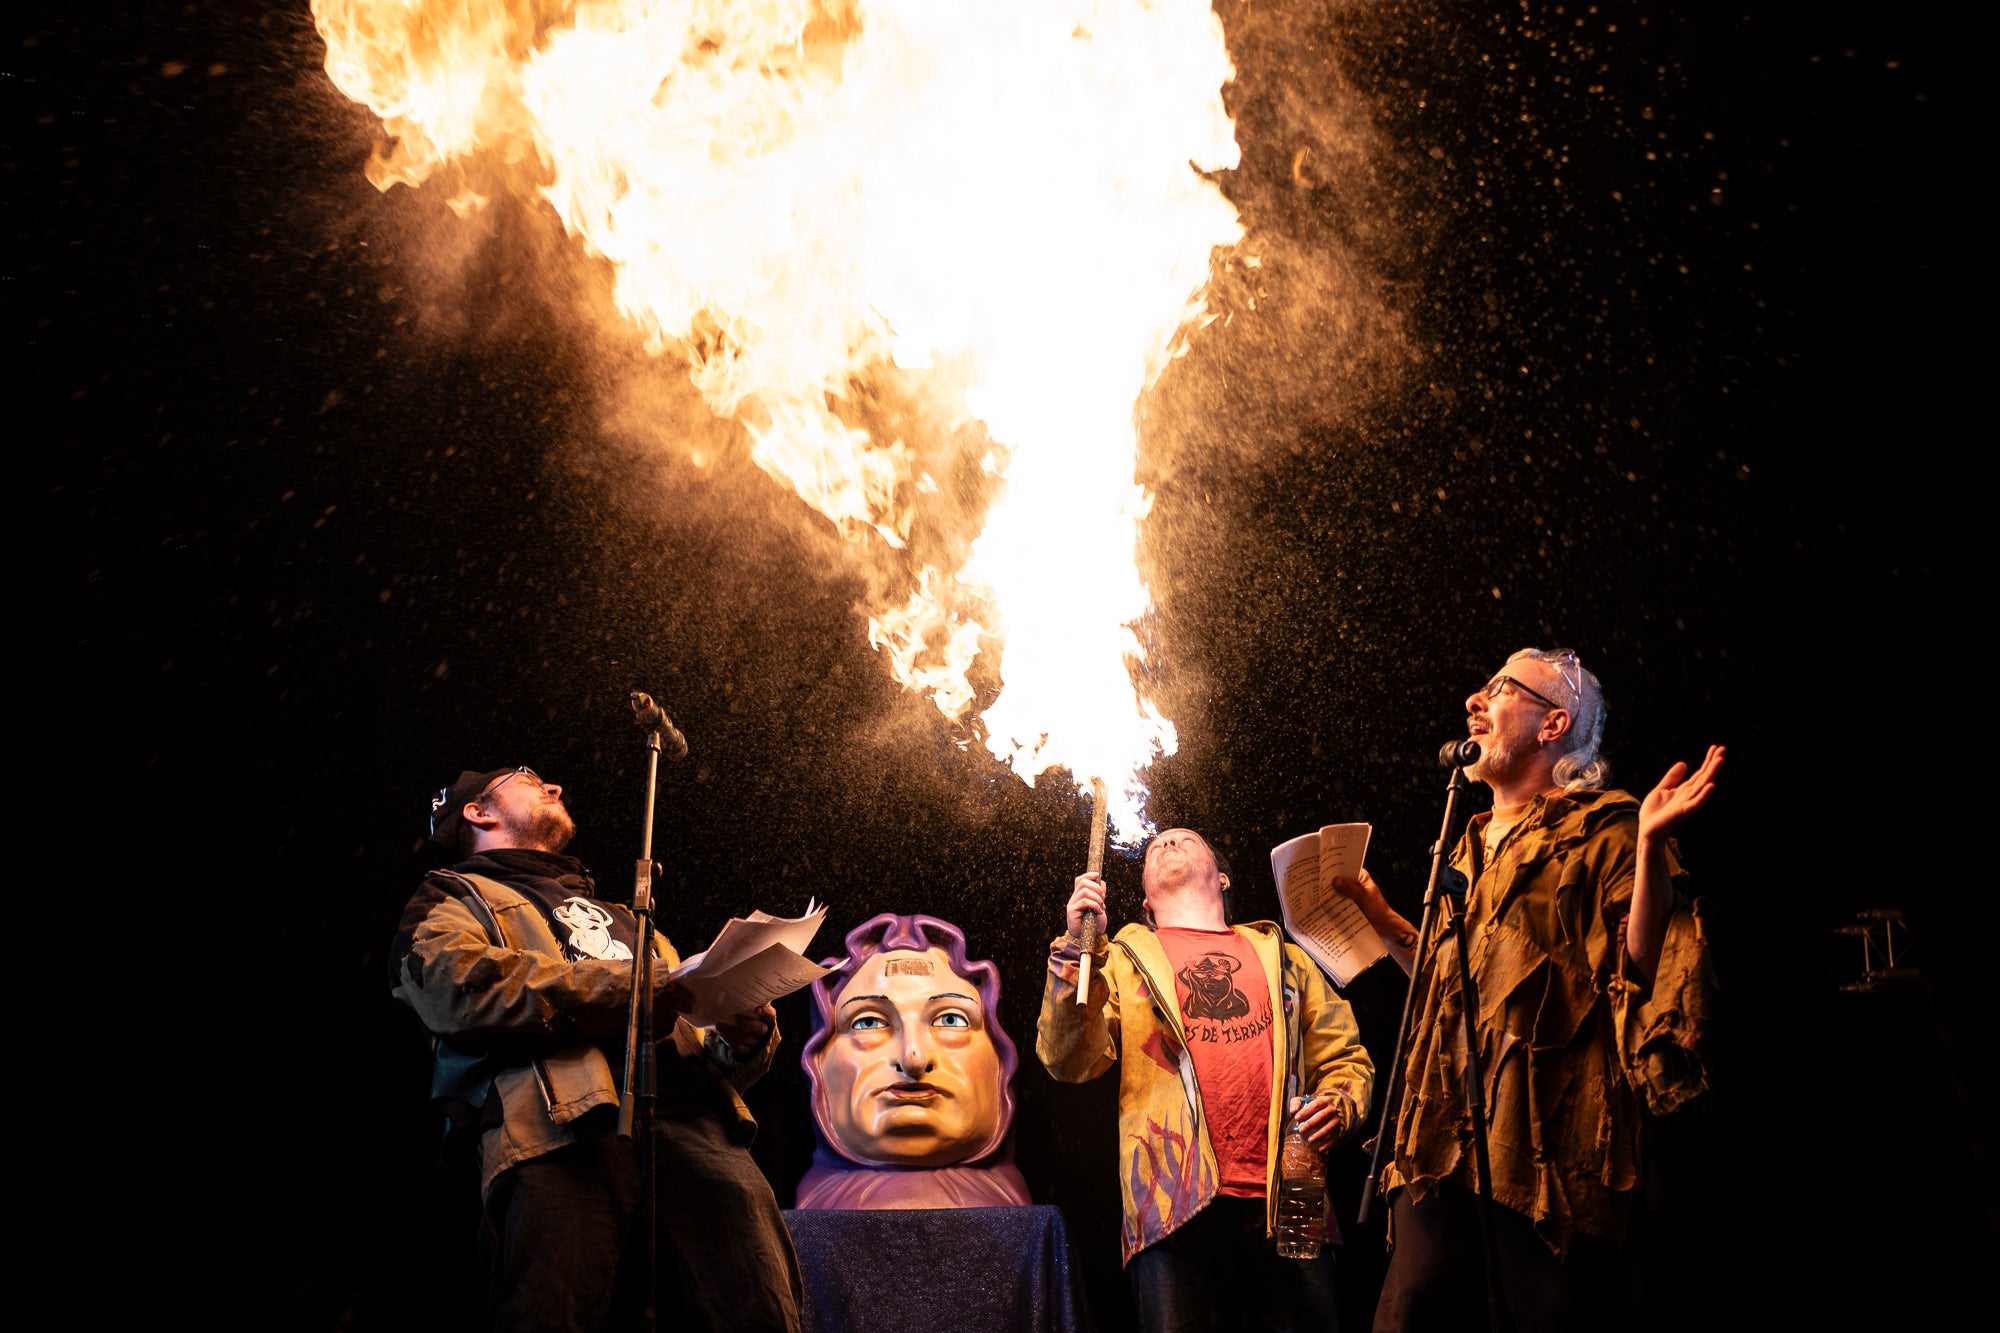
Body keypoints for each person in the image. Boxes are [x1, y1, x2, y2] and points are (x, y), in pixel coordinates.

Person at [1332, 648, 1723, 1333]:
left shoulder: (1606, 827)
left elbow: (1642, 964)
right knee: (1415, 1305)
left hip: (1544, 1151)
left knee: (1543, 1312)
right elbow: (1447, 979)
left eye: (1500, 688)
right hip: (1440, 1134)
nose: (1474, 702)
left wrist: (1652, 845)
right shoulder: (1467, 846)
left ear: (1554, 723)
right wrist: (1383, 915)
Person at [391, 764, 803, 1333]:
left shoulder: (634, 921)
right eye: (529, 779)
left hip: (697, 1129)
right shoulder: (455, 895)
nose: (555, 785)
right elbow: (452, 984)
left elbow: (693, 1038)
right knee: (550, 1315)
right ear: (478, 812)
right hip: (560, 1129)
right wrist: (638, 986)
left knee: (762, 1309)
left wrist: (741, 1039)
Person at [1038, 827, 1376, 1331]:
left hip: (1296, 1190)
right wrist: (1075, 948)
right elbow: (1068, 1059)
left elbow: (1345, 1055)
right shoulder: (1123, 961)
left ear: (1222, 878)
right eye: (1155, 847)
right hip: (1171, 1200)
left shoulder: (1284, 955)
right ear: (1146, 902)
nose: (1166, 844)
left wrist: (1340, 1102)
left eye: (1184, 840)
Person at [796, 913, 1030, 1209]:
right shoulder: (808, 1224)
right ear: (817, 1061)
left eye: (950, 1020)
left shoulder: (1025, 1229)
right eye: (868, 1022)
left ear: (1003, 1061)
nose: (913, 1059)